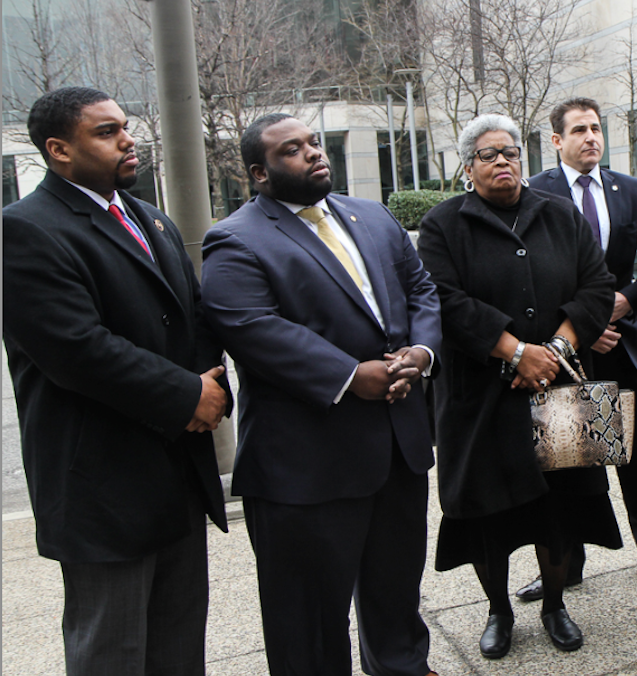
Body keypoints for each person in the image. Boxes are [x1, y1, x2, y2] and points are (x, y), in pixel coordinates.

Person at [200, 113, 442, 676]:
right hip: (307, 464)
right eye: (292, 150)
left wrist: (421, 355)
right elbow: (251, 327)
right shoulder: (235, 239)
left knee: (395, 592)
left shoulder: (373, 215)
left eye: (314, 142)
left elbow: (421, 290)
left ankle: (402, 665)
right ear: (260, 173)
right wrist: (348, 375)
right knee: (308, 617)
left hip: (396, 447)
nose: (313, 153)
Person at [3, 86, 229, 674]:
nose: (129, 140)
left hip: (177, 470)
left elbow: (194, 313)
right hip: (101, 484)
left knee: (179, 647)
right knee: (113, 652)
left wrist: (212, 386)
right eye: (106, 132)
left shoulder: (148, 215)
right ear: (59, 150)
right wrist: (187, 394)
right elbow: (77, 349)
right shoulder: (24, 230)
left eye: (125, 127)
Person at [417, 114, 621, 659]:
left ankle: (555, 603)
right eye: (488, 154)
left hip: (559, 388)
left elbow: (598, 285)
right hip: (480, 397)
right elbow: (442, 299)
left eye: (510, 151)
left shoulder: (558, 214)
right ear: (468, 167)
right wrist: (514, 351)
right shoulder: (443, 225)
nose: (503, 160)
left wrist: (554, 350)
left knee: (559, 508)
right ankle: (499, 611)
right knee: (489, 513)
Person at [518, 97, 637, 602]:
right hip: (569, 348)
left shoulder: (632, 190)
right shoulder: (534, 195)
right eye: (580, 130)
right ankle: (565, 563)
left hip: (624, 340)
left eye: (596, 128)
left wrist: (625, 304)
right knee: (570, 458)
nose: (592, 137)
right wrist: (584, 326)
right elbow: (532, 275)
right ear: (557, 140)